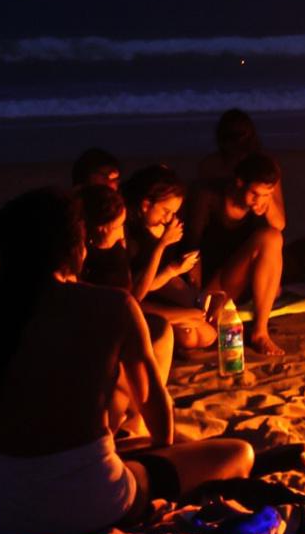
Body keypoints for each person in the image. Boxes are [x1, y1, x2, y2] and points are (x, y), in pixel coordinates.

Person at [0, 187, 251, 534]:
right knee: (237, 453)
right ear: (76, 249)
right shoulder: (112, 306)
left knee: (122, 449)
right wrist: (160, 459)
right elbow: (156, 409)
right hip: (91, 505)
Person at [197, 154, 289, 353]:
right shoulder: (210, 198)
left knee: (273, 237)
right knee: (270, 237)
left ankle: (260, 332)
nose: (260, 200)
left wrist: (266, 201)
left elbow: (279, 225)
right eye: (255, 193)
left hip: (246, 282)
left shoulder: (262, 203)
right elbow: (191, 248)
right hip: (218, 283)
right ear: (239, 183)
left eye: (266, 194)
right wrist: (194, 299)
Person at [117, 166, 212, 351]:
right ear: (145, 205)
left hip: (160, 287)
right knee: (190, 335)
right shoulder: (126, 231)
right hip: (135, 297)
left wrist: (182, 267)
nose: (169, 218)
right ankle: (179, 317)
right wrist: (161, 246)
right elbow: (136, 293)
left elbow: (167, 275)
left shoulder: (169, 224)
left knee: (207, 334)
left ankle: (183, 315)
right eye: (165, 211)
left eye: (174, 212)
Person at [189, 110, 263, 235]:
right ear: (223, 138)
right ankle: (190, 252)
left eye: (242, 135)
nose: (238, 141)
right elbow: (197, 203)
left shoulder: (262, 166)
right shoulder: (210, 164)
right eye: (233, 136)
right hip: (216, 227)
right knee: (203, 195)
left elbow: (279, 223)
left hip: (250, 229)